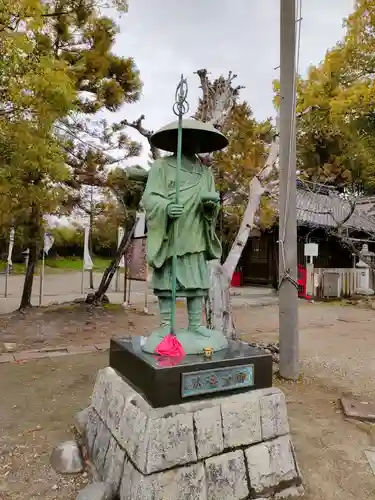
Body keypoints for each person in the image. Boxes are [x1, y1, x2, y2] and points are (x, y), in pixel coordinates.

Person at [141, 119, 229, 355]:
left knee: (196, 280)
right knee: (168, 277)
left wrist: (211, 209)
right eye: (188, 137)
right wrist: (166, 207)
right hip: (172, 232)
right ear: (177, 140)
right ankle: (165, 325)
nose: (194, 142)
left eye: (198, 139)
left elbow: (212, 203)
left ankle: (196, 325)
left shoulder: (205, 172)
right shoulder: (162, 167)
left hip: (196, 231)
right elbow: (149, 198)